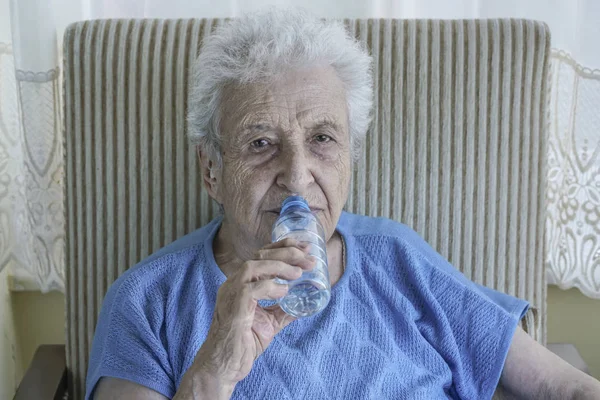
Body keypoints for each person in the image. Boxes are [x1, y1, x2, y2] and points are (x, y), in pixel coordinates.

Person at [86, 7, 600, 400]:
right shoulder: (148, 302)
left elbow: (566, 386)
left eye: (323, 139)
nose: (297, 175)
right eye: (261, 143)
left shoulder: (398, 257)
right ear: (211, 170)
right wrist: (212, 373)